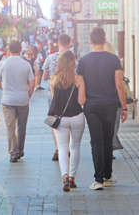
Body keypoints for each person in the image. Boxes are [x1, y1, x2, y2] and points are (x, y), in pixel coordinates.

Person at [76, 27, 128, 190]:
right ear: (104, 41)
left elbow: (80, 85)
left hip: (91, 106)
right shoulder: (113, 59)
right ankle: (108, 175)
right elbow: (119, 85)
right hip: (110, 105)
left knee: (96, 141)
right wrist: (124, 107)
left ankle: (98, 179)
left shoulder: (83, 61)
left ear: (90, 41)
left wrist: (82, 103)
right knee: (107, 139)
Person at [49, 50, 85, 192]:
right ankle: (72, 178)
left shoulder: (53, 79)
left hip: (60, 118)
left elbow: (54, 100)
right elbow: (82, 100)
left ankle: (64, 177)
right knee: (75, 147)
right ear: (73, 62)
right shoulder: (79, 79)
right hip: (77, 117)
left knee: (63, 148)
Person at [0, 41, 35, 163]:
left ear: (9, 49)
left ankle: (13, 152)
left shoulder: (3, 64)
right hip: (23, 99)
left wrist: (5, 89)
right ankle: (20, 150)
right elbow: (32, 83)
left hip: (8, 100)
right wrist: (28, 94)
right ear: (20, 50)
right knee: (22, 126)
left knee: (10, 126)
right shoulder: (26, 64)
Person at [42, 34, 72, 161]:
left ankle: (58, 148)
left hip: (53, 94)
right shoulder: (73, 58)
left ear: (58, 43)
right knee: (69, 120)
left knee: (55, 121)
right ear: (69, 43)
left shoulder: (50, 58)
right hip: (69, 94)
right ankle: (68, 148)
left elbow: (44, 76)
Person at [103, 42, 124, 157]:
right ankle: (109, 150)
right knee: (113, 126)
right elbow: (119, 85)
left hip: (99, 100)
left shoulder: (95, 63)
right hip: (114, 101)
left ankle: (105, 149)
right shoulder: (115, 62)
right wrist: (124, 106)